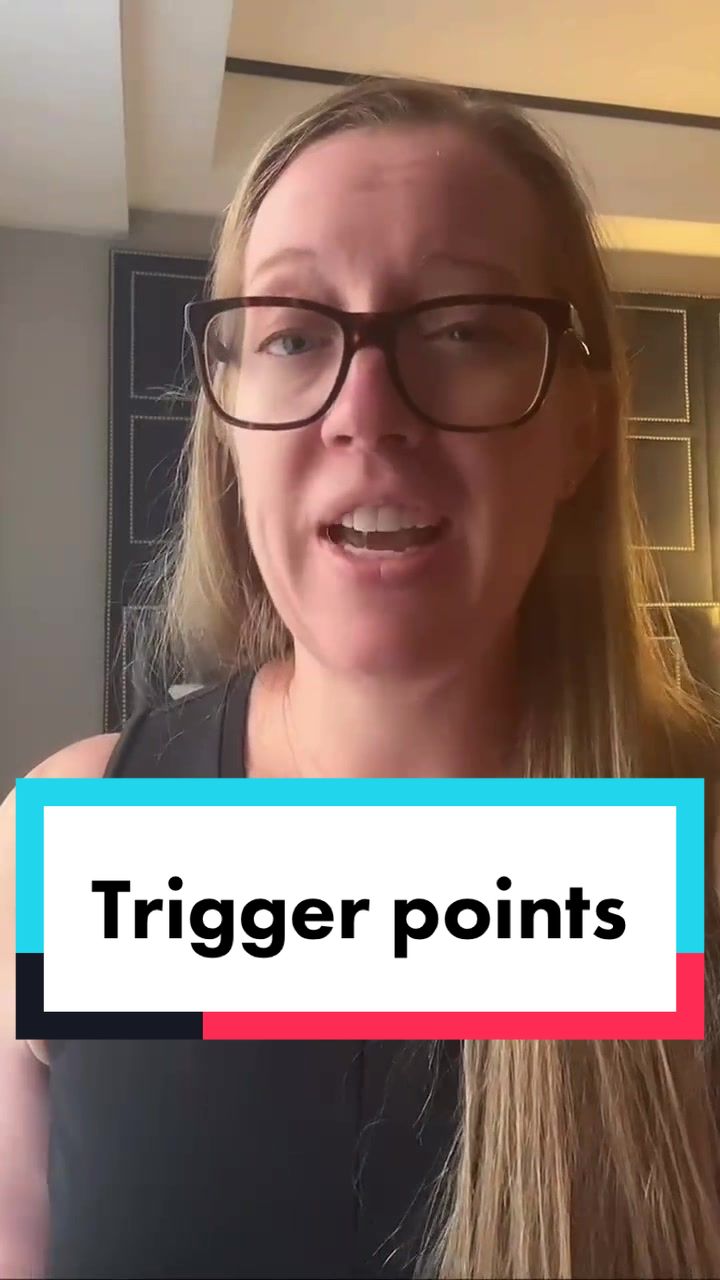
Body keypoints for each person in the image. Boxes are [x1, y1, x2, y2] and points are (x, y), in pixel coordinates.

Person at [2, 75, 720, 1280]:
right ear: (229, 429)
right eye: (292, 333)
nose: (368, 412)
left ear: (583, 425)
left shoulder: (696, 861)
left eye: (464, 329)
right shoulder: (62, 838)